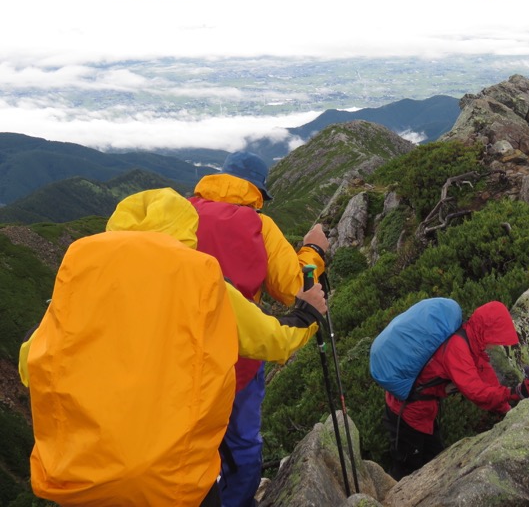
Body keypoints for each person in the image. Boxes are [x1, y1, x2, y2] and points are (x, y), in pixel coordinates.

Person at [18, 188, 327, 507]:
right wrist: (307, 314)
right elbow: (272, 339)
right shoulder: (201, 276)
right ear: (186, 228)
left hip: (78, 481)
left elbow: (31, 367)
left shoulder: (79, 275)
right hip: (172, 486)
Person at [189, 150, 330, 507]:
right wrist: (314, 249)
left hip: (178, 357)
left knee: (189, 441)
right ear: (257, 193)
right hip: (239, 355)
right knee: (242, 441)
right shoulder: (259, 226)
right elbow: (295, 287)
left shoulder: (180, 215)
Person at [382, 300, 529, 479]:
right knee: (407, 469)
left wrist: (508, 410)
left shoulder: (473, 342)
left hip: (424, 413)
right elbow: (476, 392)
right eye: (494, 338)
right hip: (406, 414)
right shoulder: (458, 349)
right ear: (486, 331)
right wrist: (515, 392)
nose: (494, 345)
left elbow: (488, 382)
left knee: (434, 464)